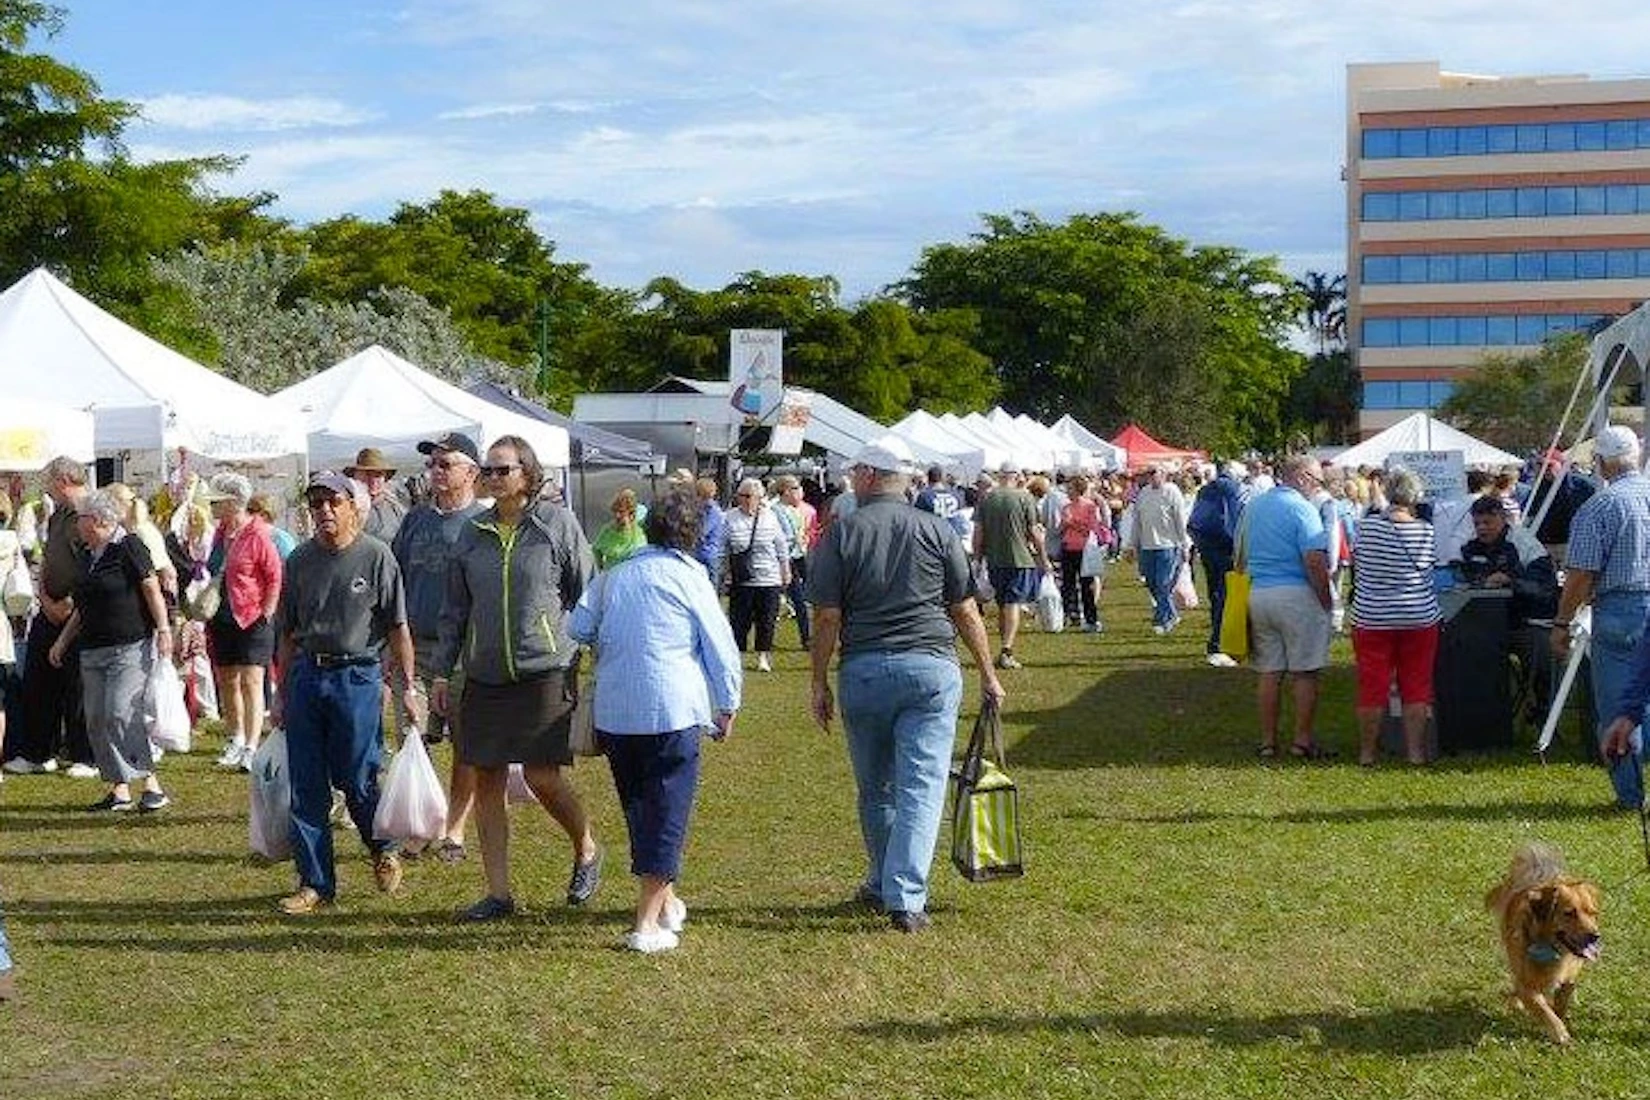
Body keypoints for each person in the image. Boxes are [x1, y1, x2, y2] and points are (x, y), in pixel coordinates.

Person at [809, 436, 1005, 932]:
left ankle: (883, 881)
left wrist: (818, 681)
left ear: (871, 477)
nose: (851, 478)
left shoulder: (841, 532)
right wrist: (988, 672)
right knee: (921, 786)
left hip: (865, 670)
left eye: (856, 472)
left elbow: (827, 616)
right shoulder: (938, 531)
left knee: (876, 787)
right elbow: (964, 609)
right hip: (931, 670)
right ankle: (905, 896)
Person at [431, 435, 602, 920]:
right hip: (484, 672)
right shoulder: (473, 532)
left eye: (503, 469)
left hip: (544, 668)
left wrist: (581, 649)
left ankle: (586, 846)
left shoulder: (556, 525)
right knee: (487, 778)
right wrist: (442, 674)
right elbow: (454, 608)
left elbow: (585, 591)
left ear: (528, 473)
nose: (493, 476)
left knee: (541, 775)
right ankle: (499, 893)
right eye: (488, 468)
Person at [568, 489, 742, 953]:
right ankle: (645, 925)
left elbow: (577, 627)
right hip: (672, 709)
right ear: (694, 534)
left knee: (640, 809)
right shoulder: (693, 578)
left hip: (617, 711)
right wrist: (727, 703)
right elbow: (719, 646)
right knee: (666, 813)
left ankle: (666, 902)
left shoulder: (614, 575)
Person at [271, 471, 416, 915]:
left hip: (357, 676)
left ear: (354, 506)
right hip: (307, 677)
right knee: (307, 784)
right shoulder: (298, 561)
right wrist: (280, 691)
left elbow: (397, 626)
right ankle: (315, 883)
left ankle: (383, 847)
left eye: (333, 502)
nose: (325, 512)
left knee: (357, 777)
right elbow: (288, 633)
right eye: (317, 504)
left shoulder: (376, 557)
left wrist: (408, 687)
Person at [389, 431, 486, 863]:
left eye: (446, 464)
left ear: (472, 472)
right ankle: (420, 825)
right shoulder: (415, 520)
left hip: (464, 652)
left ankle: (454, 829)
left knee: (465, 744)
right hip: (415, 648)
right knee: (412, 736)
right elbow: (393, 584)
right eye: (433, 464)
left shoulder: (483, 524)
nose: (437, 472)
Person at [47, 490, 174, 811]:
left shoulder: (129, 547)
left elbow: (151, 588)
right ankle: (119, 788)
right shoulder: (87, 555)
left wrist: (163, 629)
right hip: (92, 648)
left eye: (82, 519)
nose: (77, 525)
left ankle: (151, 783)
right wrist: (62, 640)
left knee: (121, 712)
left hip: (129, 645)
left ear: (100, 520)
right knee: (97, 719)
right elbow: (82, 607)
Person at [1553, 425, 1650, 809]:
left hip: (1620, 609)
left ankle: (1630, 796)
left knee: (1617, 706)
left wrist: (1562, 622)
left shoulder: (1599, 507)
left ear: (1601, 463)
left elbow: (1580, 575)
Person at [5, 456, 95, 778]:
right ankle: (37, 752)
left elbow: (90, 563)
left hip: (77, 611)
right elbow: (48, 559)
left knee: (78, 685)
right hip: (49, 607)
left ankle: (85, 755)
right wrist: (44, 598)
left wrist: (71, 604)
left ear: (62, 480)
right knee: (38, 680)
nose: (45, 488)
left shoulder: (88, 512)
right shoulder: (58, 516)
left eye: (49, 482)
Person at [1243, 454, 1333, 759]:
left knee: (1269, 672)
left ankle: (1268, 742)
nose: (1318, 487)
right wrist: (1327, 600)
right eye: (1318, 480)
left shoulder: (1254, 506)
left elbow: (1240, 553)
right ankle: (1302, 741)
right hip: (1295, 594)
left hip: (1259, 593)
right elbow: (1315, 561)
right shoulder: (1303, 509)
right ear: (1304, 477)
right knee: (1304, 672)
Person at [1350, 469, 1439, 767]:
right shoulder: (1425, 530)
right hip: (1418, 614)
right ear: (1416, 497)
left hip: (1372, 616)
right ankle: (1415, 752)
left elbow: (1358, 564)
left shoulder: (1365, 527)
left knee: (1372, 685)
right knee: (1416, 685)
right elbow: (1427, 570)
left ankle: (1367, 753)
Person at [200, 473, 283, 771]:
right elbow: (210, 567)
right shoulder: (220, 533)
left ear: (234, 503)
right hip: (223, 615)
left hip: (252, 616)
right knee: (227, 681)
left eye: (217, 502)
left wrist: (267, 611)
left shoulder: (258, 534)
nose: (211, 507)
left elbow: (274, 575)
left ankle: (251, 744)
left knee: (252, 681)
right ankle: (234, 738)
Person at [971, 463, 1048, 669]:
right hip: (1020, 559)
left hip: (995, 560)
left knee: (1002, 603)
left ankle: (1003, 649)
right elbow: (1034, 532)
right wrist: (1043, 557)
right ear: (1016, 477)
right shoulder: (1025, 498)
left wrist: (977, 559)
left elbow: (978, 533)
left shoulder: (986, 498)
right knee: (1012, 603)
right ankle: (1006, 650)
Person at [720, 477, 791, 673]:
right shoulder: (728, 517)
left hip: (769, 577)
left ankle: (763, 656)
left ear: (760, 498)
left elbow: (781, 545)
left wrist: (785, 569)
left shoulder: (770, 517)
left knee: (766, 619)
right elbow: (722, 547)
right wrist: (725, 571)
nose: (747, 500)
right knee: (738, 620)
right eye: (743, 496)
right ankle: (737, 655)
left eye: (751, 496)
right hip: (741, 579)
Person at [1187, 460, 1247, 664]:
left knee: (1216, 594)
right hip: (1227, 548)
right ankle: (1221, 644)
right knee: (1228, 596)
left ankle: (1219, 642)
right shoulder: (1234, 490)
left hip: (1207, 546)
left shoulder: (1206, 489)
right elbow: (1238, 520)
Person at [1126, 464, 1191, 635]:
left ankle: (1162, 619)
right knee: (1151, 583)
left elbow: (1180, 519)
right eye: (1149, 474)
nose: (1151, 477)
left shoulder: (1172, 492)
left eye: (1154, 473)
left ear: (1164, 474)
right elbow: (1137, 521)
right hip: (1147, 546)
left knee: (1163, 583)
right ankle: (1171, 613)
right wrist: (1132, 544)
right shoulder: (1143, 494)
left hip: (1168, 545)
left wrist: (1184, 544)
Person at [1056, 475, 1106, 633]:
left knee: (1086, 586)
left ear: (1079, 490)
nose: (1067, 492)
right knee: (1067, 585)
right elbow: (1060, 530)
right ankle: (1069, 615)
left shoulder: (1090, 507)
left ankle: (1091, 619)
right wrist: (1064, 525)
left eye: (1070, 489)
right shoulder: (1066, 507)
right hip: (1068, 548)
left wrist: (1072, 523)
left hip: (1084, 550)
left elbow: (1091, 528)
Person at [772, 475, 817, 648]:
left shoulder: (797, 510)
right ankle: (806, 639)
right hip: (786, 558)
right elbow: (782, 536)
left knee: (805, 597)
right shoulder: (776, 510)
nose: (800, 492)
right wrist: (796, 539)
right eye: (796, 488)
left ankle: (807, 637)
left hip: (800, 555)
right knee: (796, 598)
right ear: (786, 491)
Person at [345, 447, 406, 543]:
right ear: (355, 476)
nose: (373, 481)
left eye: (378, 475)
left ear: (384, 478)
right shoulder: (344, 509)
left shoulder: (397, 509)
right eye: (367, 474)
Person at [591, 488, 648, 571]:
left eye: (621, 512)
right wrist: (601, 569)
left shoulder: (640, 532)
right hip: (612, 578)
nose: (617, 516)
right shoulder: (607, 531)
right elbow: (596, 550)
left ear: (631, 514)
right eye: (615, 511)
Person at [914, 465, 968, 539]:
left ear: (928, 478)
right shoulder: (955, 495)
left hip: (933, 537)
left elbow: (917, 518)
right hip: (953, 536)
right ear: (942, 478)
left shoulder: (924, 496)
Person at [692, 476, 725, 584]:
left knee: (710, 589)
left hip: (709, 555)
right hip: (699, 554)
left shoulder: (713, 511)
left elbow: (702, 531)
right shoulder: (700, 508)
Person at [248, 494, 300, 560]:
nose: (247, 514)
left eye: (251, 511)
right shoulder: (247, 538)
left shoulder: (280, 538)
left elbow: (290, 565)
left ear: (265, 514)